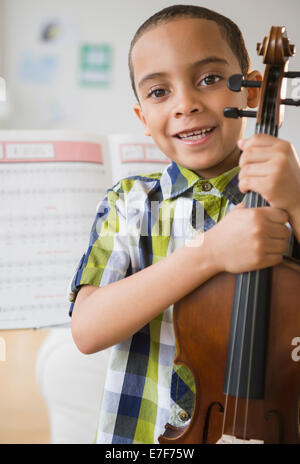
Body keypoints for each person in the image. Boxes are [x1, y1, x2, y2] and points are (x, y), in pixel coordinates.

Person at [68, 5, 300, 444]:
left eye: (210, 79)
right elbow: (87, 330)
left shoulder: (291, 195)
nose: (186, 104)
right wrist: (209, 253)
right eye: (159, 92)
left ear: (252, 92)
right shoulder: (129, 203)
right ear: (143, 120)